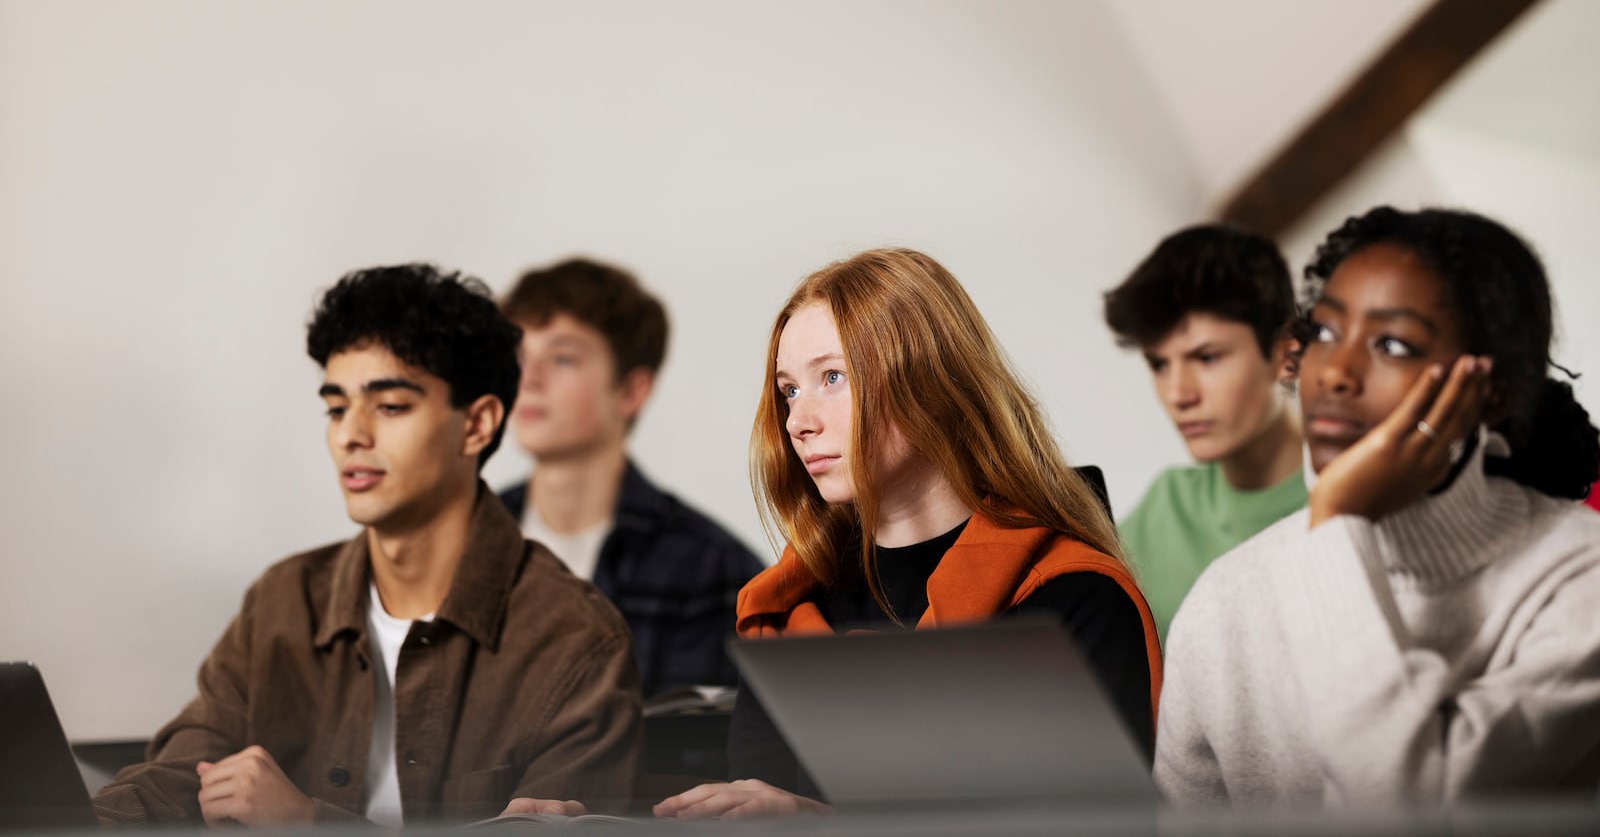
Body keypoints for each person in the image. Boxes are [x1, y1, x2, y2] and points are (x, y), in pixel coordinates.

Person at [93, 265, 641, 827]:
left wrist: (312, 824)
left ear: (477, 424)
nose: (350, 434)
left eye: (390, 406)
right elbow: (178, 774)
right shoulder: (282, 601)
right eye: (336, 407)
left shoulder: (578, 642)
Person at [650, 248, 1163, 819]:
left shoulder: (1075, 598)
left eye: (833, 377)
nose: (798, 421)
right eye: (790, 389)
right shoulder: (784, 608)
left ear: (928, 381)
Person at [1156, 207, 1600, 807]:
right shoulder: (1224, 599)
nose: (1336, 371)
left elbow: (1403, 806)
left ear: (1489, 394)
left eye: (1392, 344)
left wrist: (1338, 522)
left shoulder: (1579, 579)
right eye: (1325, 333)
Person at [497, 259, 764, 697]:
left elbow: (716, 751)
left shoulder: (715, 570)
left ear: (632, 391)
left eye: (563, 357)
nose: (528, 378)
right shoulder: (461, 541)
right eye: (518, 355)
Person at [1103, 224, 1306, 642]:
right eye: (1159, 364)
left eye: (1207, 357)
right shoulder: (1164, 511)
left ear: (1288, 354)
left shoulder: (1375, 488)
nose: (1179, 393)